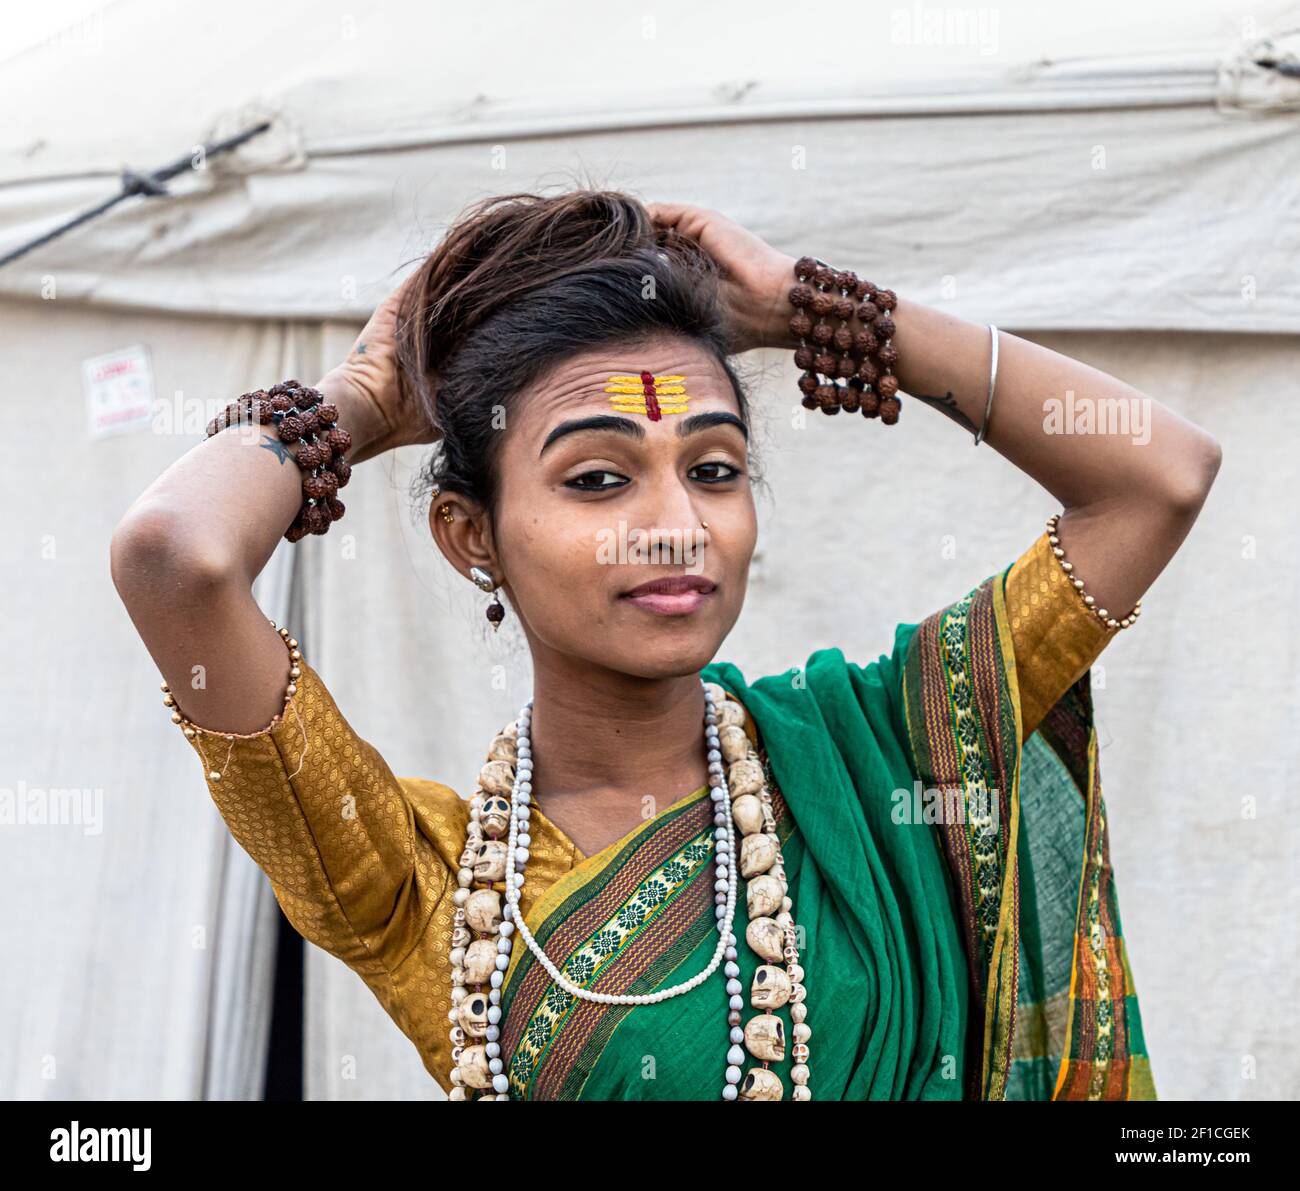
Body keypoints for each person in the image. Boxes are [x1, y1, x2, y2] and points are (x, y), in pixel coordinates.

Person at [110, 190, 1220, 1101]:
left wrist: (813, 308)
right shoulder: (422, 882)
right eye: (596, 478)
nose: (676, 524)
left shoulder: (891, 751)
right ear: (469, 536)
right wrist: (355, 402)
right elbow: (176, 558)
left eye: (714, 469)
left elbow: (1154, 474)